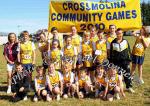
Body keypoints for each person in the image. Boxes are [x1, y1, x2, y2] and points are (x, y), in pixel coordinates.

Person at [109, 28, 134, 93]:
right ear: (116, 34)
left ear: (122, 34)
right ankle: (117, 88)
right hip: (116, 62)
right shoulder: (113, 42)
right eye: (117, 33)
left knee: (127, 75)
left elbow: (129, 51)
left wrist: (129, 60)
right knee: (118, 76)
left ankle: (129, 87)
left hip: (125, 61)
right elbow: (111, 54)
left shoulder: (125, 41)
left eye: (120, 33)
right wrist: (111, 63)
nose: (119, 35)